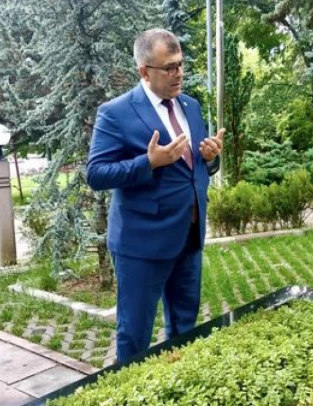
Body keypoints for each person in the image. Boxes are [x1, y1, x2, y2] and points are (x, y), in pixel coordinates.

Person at [86, 28, 225, 364]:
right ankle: (129, 389)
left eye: (180, 64)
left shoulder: (190, 106)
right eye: (169, 67)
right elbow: (96, 174)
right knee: (135, 334)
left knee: (185, 328)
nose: (178, 74)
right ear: (144, 72)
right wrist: (148, 162)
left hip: (188, 235)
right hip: (142, 243)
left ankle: (178, 383)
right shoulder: (116, 112)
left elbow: (194, 169)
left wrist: (211, 158)